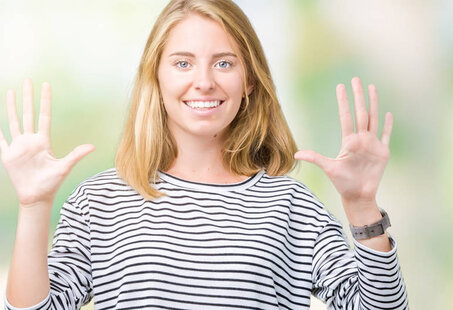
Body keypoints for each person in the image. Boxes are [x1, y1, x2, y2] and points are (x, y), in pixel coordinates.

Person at [2, 0, 408, 309]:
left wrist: (361, 207)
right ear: (155, 78)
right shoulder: (100, 201)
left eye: (224, 63)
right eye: (182, 63)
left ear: (249, 80)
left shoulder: (291, 206)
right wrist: (34, 206)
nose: (204, 82)